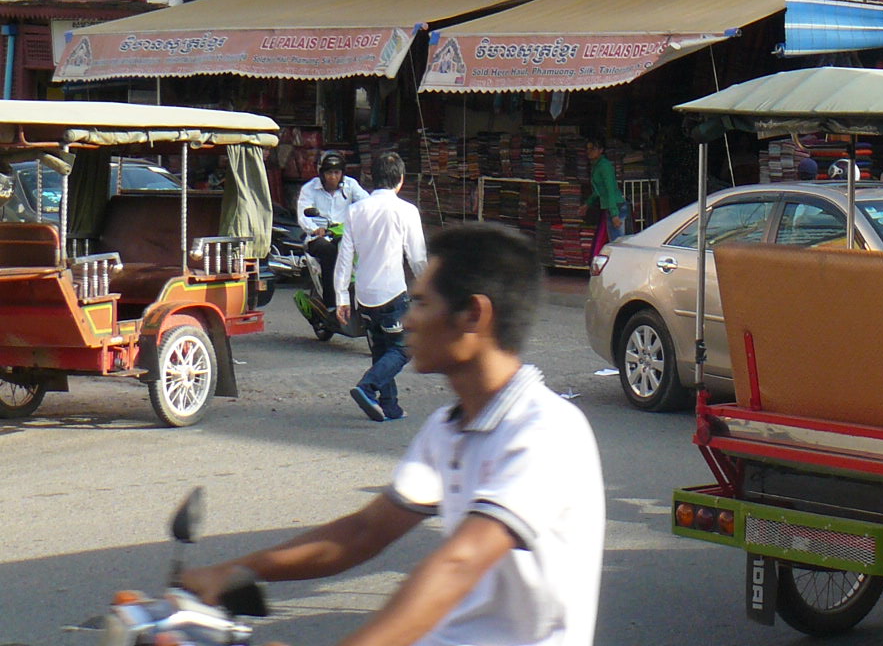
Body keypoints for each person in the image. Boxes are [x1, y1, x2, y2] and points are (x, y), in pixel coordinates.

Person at [181, 223, 604, 646]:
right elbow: (364, 532)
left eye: (420, 303)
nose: (407, 320)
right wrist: (239, 570)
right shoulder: (448, 428)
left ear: (473, 315)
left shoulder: (545, 430)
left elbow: (459, 563)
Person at [337, 151, 429, 422]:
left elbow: (345, 256)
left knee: (381, 349)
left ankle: (390, 406)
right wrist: (427, 290)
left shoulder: (355, 211)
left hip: (364, 294)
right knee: (404, 347)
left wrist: (342, 296)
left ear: (371, 179)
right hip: (392, 293)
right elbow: (417, 257)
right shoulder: (406, 211)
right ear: (400, 180)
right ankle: (368, 387)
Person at [299, 153, 368, 311]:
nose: (333, 177)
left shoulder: (351, 185)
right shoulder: (309, 188)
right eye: (329, 173)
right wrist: (315, 229)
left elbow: (367, 203)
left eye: (337, 173)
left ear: (342, 174)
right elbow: (303, 214)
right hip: (318, 238)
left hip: (344, 235)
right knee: (331, 253)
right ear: (322, 174)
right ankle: (331, 305)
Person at [583, 137, 624, 258]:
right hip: (609, 207)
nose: (589, 152)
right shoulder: (597, 166)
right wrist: (587, 204)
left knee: (617, 244)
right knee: (612, 242)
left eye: (593, 149)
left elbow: (610, 190)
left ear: (601, 150)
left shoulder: (604, 166)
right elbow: (598, 191)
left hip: (615, 207)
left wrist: (615, 214)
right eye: (588, 149)